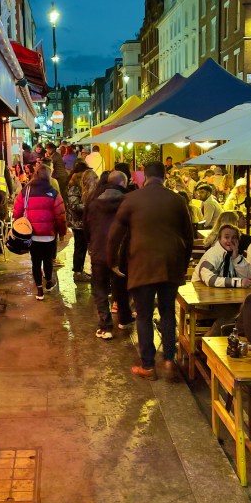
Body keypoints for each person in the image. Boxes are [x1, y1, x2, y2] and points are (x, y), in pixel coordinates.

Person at [108, 160, 194, 380]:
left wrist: (113, 261)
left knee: (144, 316)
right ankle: (169, 360)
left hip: (142, 265)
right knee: (167, 313)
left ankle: (148, 366)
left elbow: (115, 234)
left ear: (144, 177)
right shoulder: (177, 200)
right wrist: (182, 265)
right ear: (164, 177)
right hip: (170, 265)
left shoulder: (131, 199)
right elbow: (189, 237)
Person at [85, 171, 134, 339]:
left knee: (100, 289)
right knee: (121, 287)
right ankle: (124, 318)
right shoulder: (129, 201)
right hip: (120, 252)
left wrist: (91, 245)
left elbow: (87, 226)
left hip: (99, 250)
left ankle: (105, 326)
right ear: (123, 183)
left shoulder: (93, 201)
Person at [14, 163, 67, 300]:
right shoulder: (53, 193)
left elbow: (17, 210)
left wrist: (19, 223)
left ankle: (39, 291)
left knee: (35, 262)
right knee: (48, 260)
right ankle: (48, 282)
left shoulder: (26, 191)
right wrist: (62, 233)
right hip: (49, 235)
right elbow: (60, 216)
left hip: (32, 234)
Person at [192, 224, 251, 289]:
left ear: (238, 240)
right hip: (200, 292)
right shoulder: (212, 254)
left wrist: (236, 258)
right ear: (219, 239)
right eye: (226, 237)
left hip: (224, 294)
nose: (230, 241)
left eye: (234, 237)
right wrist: (237, 282)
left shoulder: (235, 255)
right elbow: (209, 279)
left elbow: (249, 276)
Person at [66, 166, 97, 282]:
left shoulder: (82, 188)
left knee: (82, 247)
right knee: (80, 247)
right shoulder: (74, 188)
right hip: (78, 223)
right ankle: (77, 272)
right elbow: (74, 205)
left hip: (82, 222)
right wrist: (91, 206)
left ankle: (80, 270)